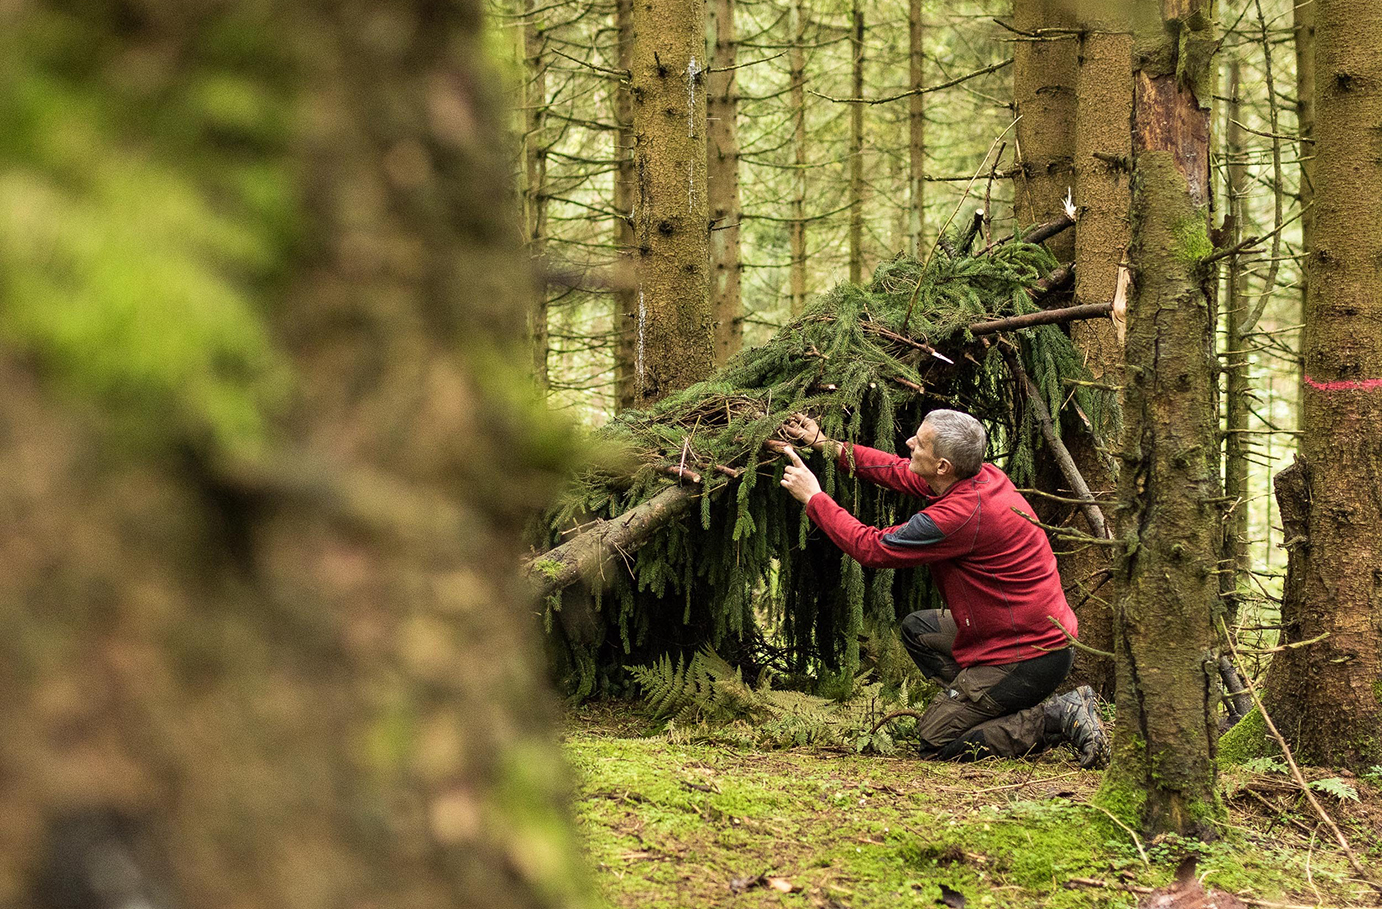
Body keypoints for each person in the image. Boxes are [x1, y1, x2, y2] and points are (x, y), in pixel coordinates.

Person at [776, 409, 1109, 768]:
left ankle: (1053, 717)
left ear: (943, 467)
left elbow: (870, 548)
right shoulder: (977, 476)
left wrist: (814, 498)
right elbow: (895, 470)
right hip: (1014, 632)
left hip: (1028, 653)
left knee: (936, 741)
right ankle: (982, 706)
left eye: (919, 443)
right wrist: (826, 445)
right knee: (919, 630)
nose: (909, 444)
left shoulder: (960, 515)